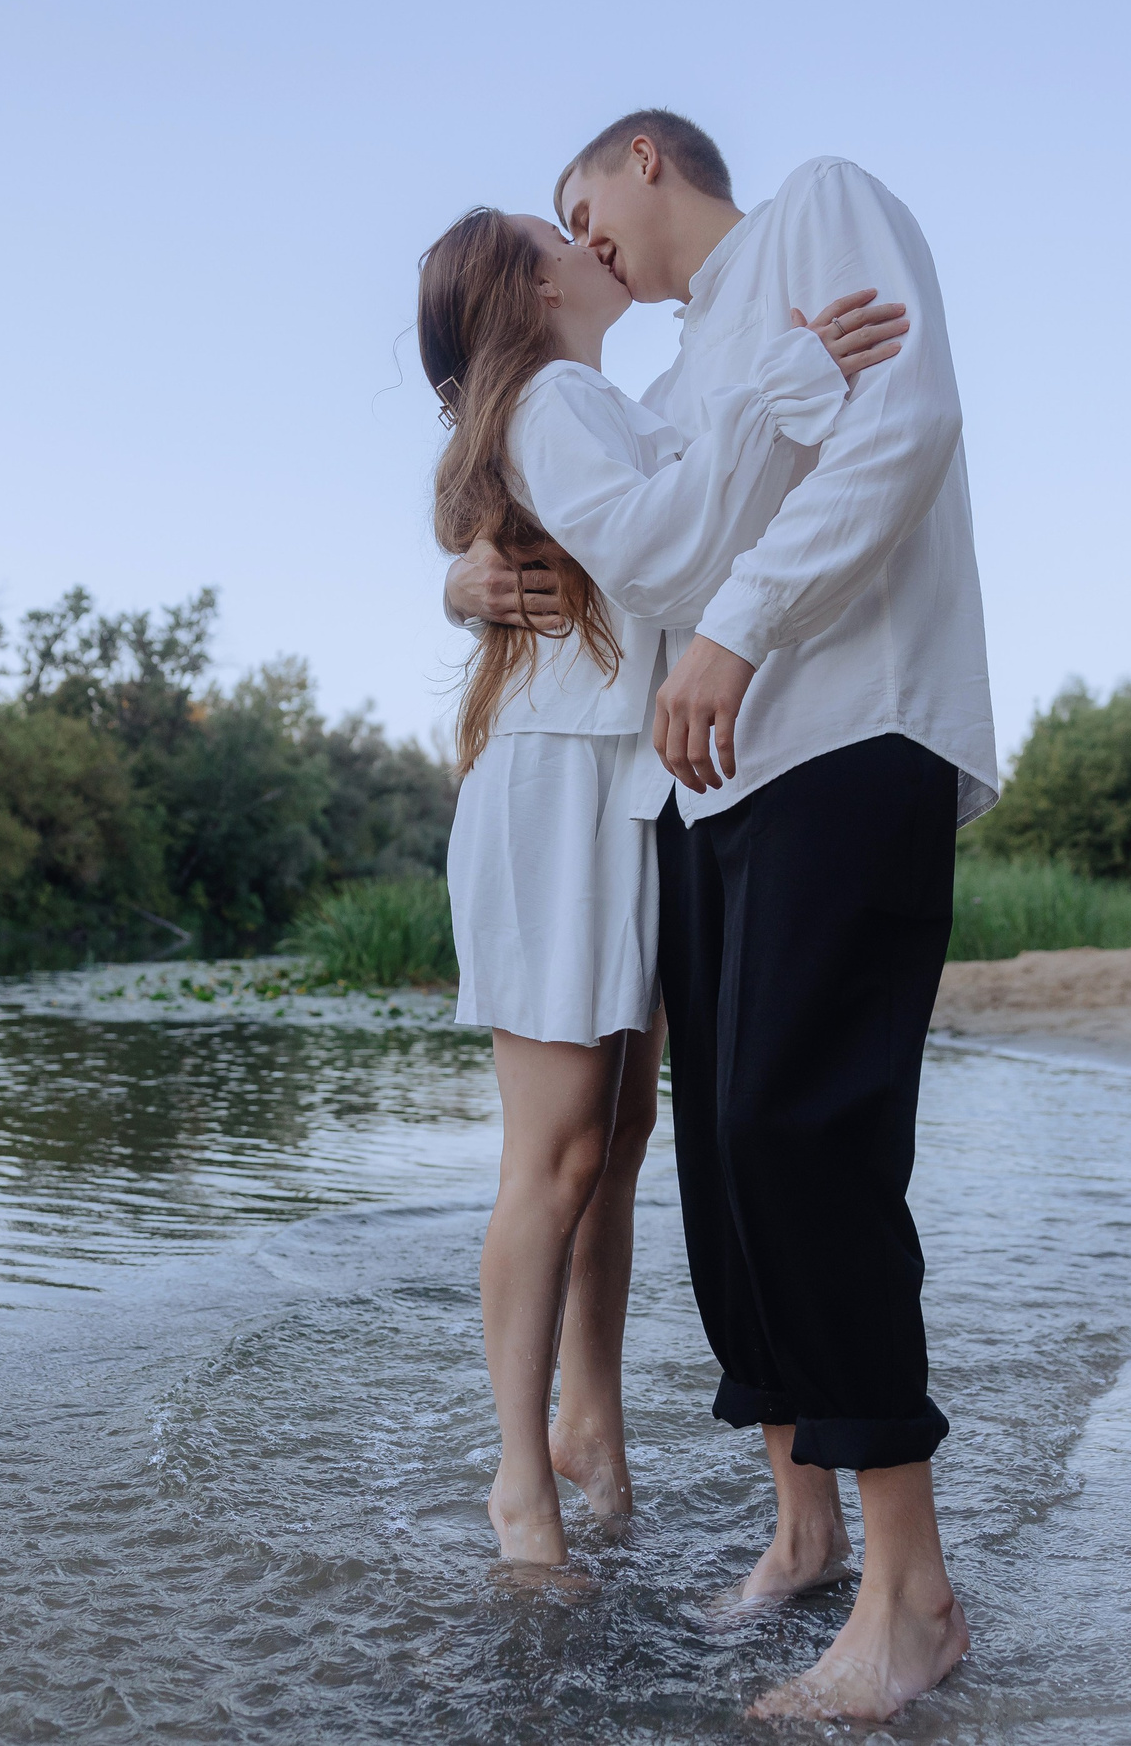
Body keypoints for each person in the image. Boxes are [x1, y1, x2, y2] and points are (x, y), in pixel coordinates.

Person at [447, 110, 997, 1723]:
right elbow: (629, 533)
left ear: (649, 162)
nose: (582, 236)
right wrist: (468, 571)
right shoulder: (668, 380)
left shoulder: (821, 209)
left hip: (852, 732)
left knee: (802, 1137)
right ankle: (807, 1529)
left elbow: (906, 430)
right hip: (712, 790)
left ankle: (913, 1600)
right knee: (732, 1168)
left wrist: (738, 631)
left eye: (580, 201)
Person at [415, 206, 909, 1569]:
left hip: (617, 791)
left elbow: (679, 507)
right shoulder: (554, 395)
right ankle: (523, 1481)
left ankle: (589, 1425)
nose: (594, 244)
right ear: (528, 281)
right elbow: (672, 533)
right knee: (560, 1151)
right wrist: (797, 378)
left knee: (615, 1145)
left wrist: (461, 570)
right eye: (557, 233)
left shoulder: (592, 399)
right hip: (556, 785)